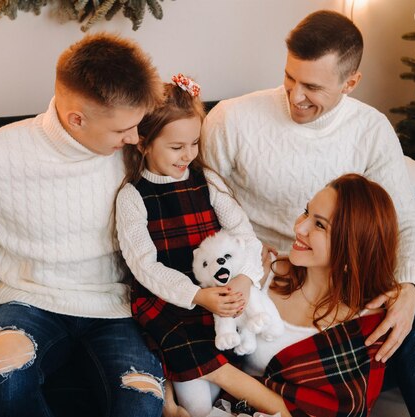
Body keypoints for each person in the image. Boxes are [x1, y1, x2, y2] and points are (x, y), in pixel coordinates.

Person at [202, 10, 415, 417]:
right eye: (289, 77)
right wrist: (243, 257)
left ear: (351, 83)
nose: (295, 96)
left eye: (312, 86)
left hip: (343, 273)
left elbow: (405, 219)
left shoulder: (371, 128)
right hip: (274, 275)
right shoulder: (232, 119)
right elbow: (201, 204)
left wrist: (410, 289)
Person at [0, 33, 167, 417]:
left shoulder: (137, 150)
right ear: (77, 119)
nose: (136, 138)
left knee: (142, 401)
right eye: (123, 130)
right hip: (28, 301)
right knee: (2, 371)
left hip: (116, 306)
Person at [114, 75, 289, 417]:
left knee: (219, 375)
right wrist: (196, 296)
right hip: (169, 300)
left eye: (194, 143)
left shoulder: (206, 181)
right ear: (143, 143)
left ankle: (234, 405)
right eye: (176, 147)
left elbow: (244, 235)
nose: (188, 155)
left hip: (219, 291)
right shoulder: (133, 196)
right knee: (196, 400)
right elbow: (144, 265)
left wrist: (244, 279)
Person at [240, 173, 400, 417]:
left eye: (320, 225)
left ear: (351, 249)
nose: (299, 227)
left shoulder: (368, 322)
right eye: (306, 212)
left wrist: (218, 372)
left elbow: (344, 410)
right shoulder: (260, 272)